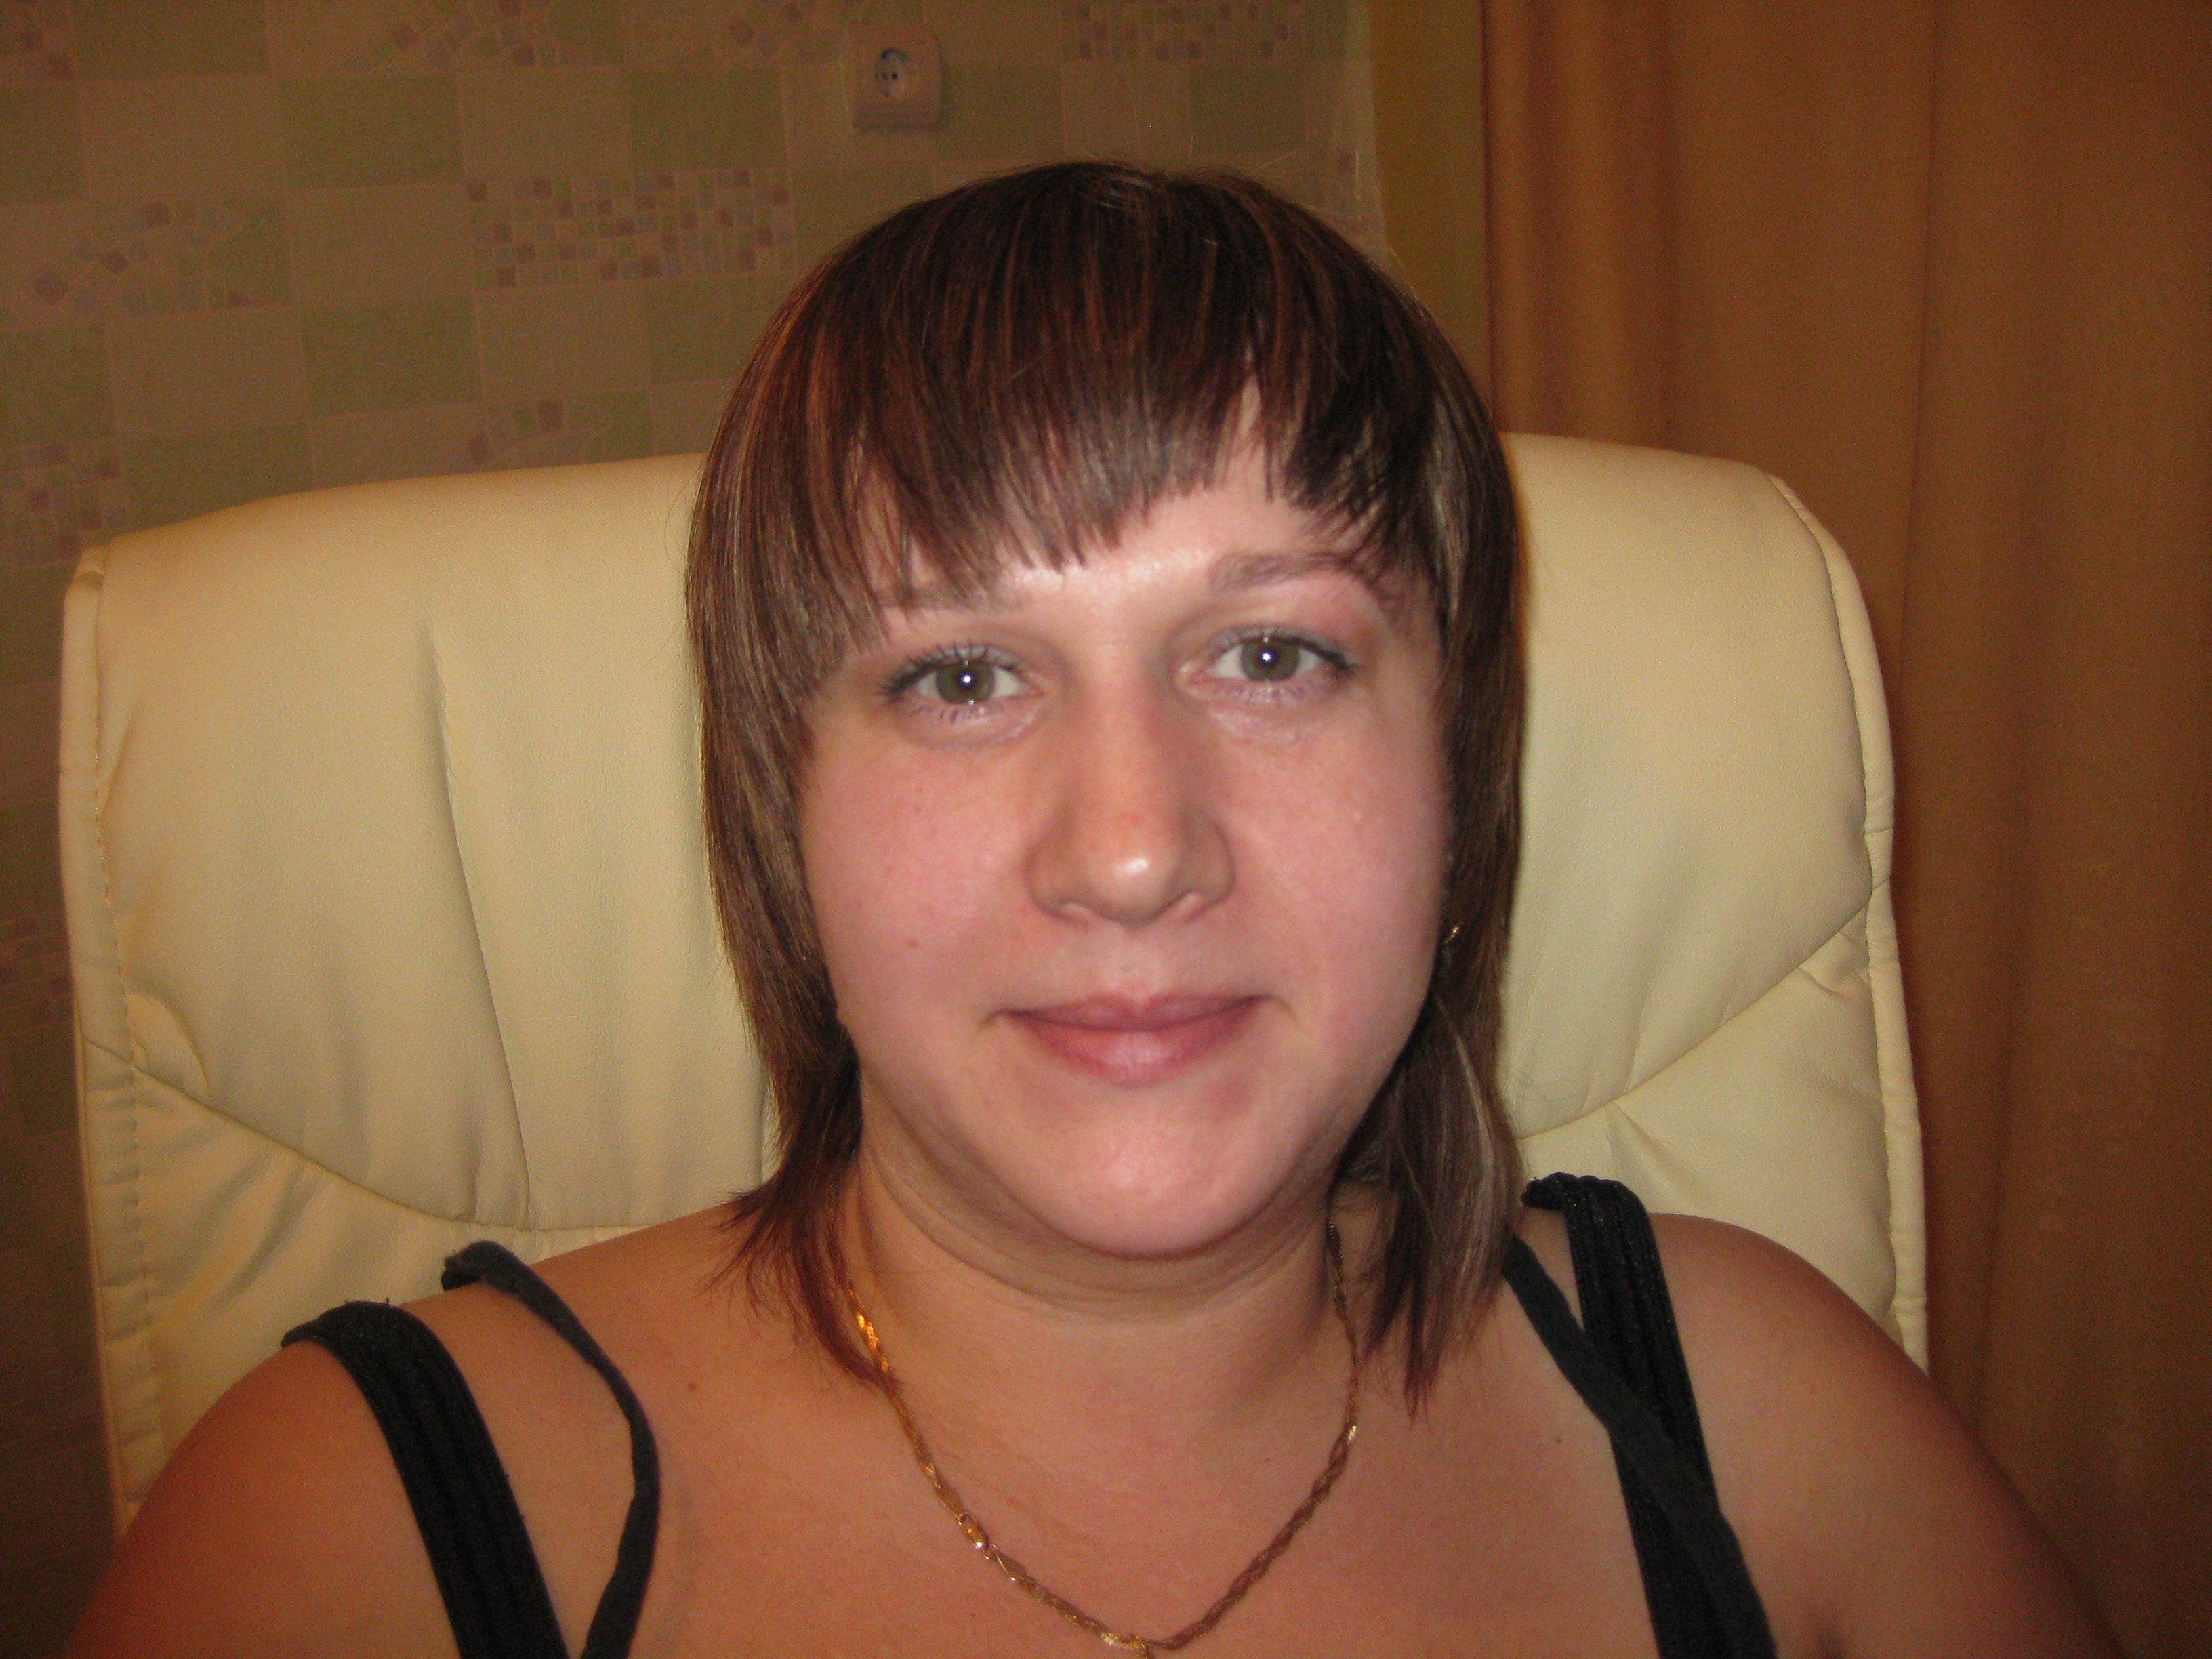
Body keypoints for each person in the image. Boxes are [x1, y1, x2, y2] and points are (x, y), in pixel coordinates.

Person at [68, 163, 2116, 1659]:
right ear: (781, 809)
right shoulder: (356, 1525)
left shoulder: (1766, 1418)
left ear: (1459, 774)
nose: (1133, 852)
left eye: (1275, 655)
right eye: (960, 676)